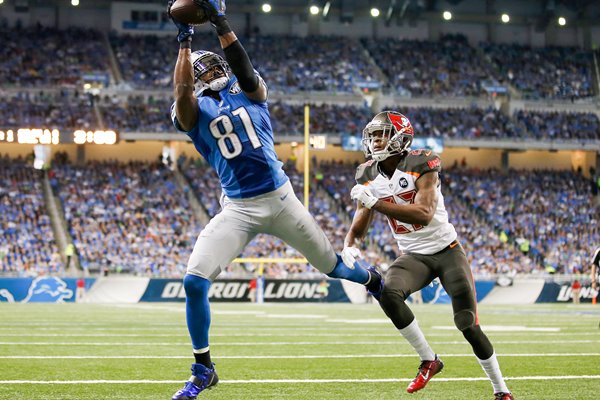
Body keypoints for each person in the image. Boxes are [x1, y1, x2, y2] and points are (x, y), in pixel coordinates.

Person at [167, 1, 383, 398]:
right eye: (206, 71)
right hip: (239, 208)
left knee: (334, 267)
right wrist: (184, 39)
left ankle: (373, 279)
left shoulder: (250, 91)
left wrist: (220, 21)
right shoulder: (192, 110)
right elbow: (181, 92)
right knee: (194, 282)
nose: (215, 72)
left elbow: (244, 68)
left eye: (217, 66)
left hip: (281, 199)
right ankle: (203, 368)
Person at [341, 111, 513, 400]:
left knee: (467, 324)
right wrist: (350, 243)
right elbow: (362, 218)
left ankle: (501, 389)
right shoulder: (368, 172)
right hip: (413, 256)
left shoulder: (422, 162)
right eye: (372, 135)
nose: (374, 140)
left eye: (381, 134)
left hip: (447, 251)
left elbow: (423, 214)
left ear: (400, 137)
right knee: (388, 293)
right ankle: (428, 359)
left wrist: (376, 203)